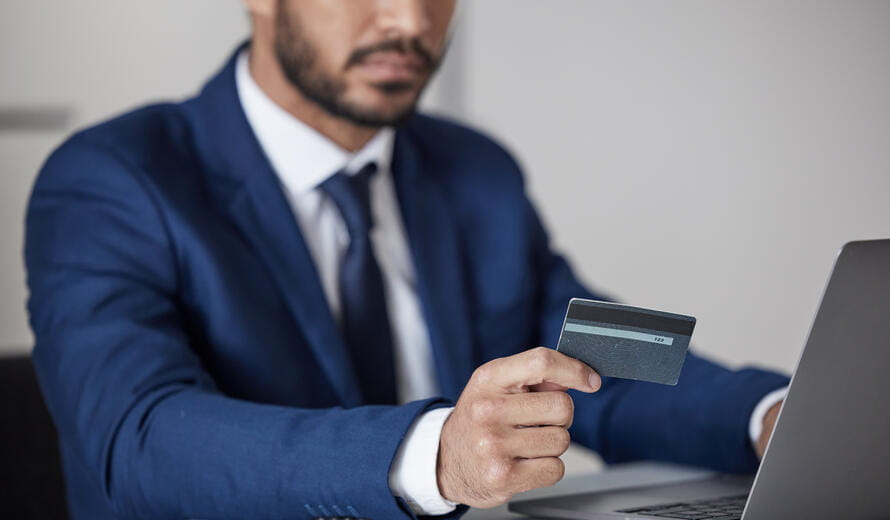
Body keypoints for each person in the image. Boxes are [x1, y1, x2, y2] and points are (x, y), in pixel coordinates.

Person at [24, 1, 789, 519]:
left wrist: (772, 413)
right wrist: (435, 456)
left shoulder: (474, 168)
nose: (411, 20)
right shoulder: (114, 179)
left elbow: (591, 351)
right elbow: (141, 436)